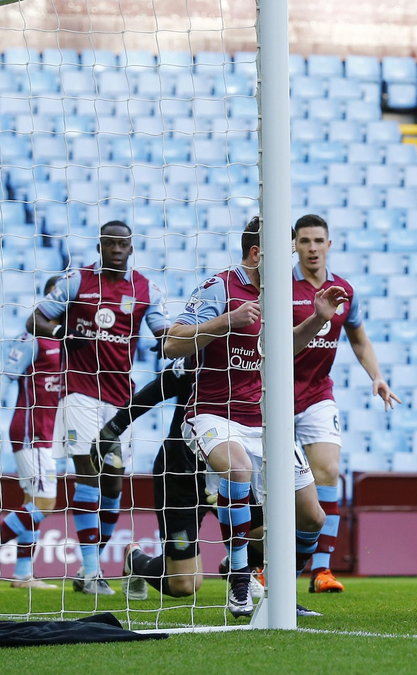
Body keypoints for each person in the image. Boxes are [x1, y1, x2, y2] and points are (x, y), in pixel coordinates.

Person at [162, 216, 342, 618]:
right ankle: (240, 580)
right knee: (237, 469)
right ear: (258, 253)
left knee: (311, 517)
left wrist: (318, 318)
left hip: (265, 418)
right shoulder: (219, 287)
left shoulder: (278, 293)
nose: (294, 260)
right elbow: (171, 343)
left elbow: (283, 347)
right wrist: (228, 320)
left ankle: (281, 595)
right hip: (211, 412)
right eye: (287, 252)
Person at [109, 359, 323, 616]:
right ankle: (135, 560)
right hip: (181, 476)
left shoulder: (260, 356)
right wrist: (113, 428)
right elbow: (157, 390)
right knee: (185, 584)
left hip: (232, 470)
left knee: (274, 539)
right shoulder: (202, 349)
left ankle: (246, 575)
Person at [25, 221, 170, 595]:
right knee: (88, 468)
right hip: (80, 392)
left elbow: (162, 332)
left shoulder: (145, 289)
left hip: (120, 398)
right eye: (110, 243)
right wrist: (60, 333)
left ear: (132, 247)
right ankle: (91, 571)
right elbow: (34, 318)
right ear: (101, 246)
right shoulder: (77, 281)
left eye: (123, 244)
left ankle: (92, 566)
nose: (117, 249)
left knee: (114, 482)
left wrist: (170, 344)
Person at [290, 214, 401, 593]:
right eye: (305, 241)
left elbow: (358, 338)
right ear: (294, 245)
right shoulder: (278, 287)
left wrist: (377, 376)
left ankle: (321, 570)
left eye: (319, 241)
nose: (312, 248)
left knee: (328, 470)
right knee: (268, 485)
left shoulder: (343, 291)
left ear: (329, 245)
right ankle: (258, 564)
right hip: (271, 396)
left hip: (317, 394)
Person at [1, 276, 63, 589]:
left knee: (29, 500)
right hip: (29, 431)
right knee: (44, 503)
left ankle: (23, 574)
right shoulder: (32, 337)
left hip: (46, 434)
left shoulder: (71, 341)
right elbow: (8, 375)